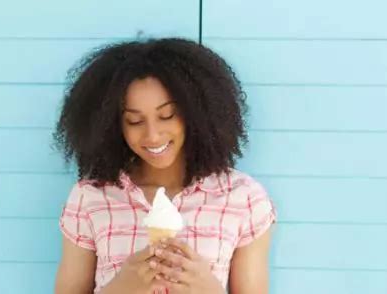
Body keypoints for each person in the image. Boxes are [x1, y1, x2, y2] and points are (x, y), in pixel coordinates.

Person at [53, 37, 277, 294]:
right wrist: (118, 289)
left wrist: (209, 290)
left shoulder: (243, 198)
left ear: (196, 112)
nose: (153, 136)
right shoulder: (89, 197)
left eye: (167, 116)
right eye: (135, 121)